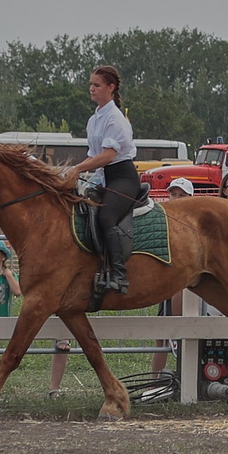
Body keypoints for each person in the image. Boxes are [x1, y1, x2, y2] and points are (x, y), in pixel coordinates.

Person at [77, 65, 140, 299]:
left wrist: (77, 169)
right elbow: (93, 156)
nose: (91, 89)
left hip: (123, 178)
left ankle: (119, 274)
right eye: (91, 84)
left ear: (111, 88)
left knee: (106, 217)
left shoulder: (115, 119)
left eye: (97, 85)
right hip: (106, 177)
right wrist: (69, 173)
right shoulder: (94, 119)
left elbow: (107, 156)